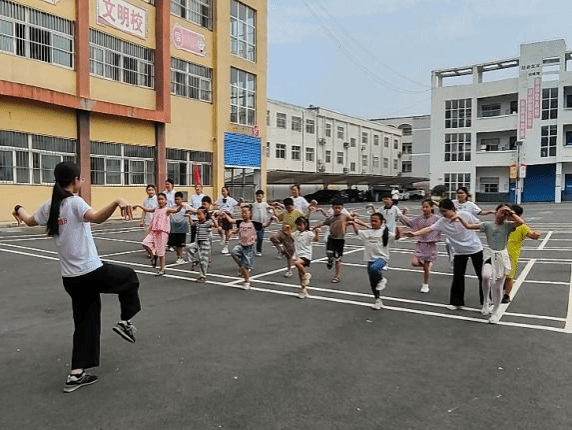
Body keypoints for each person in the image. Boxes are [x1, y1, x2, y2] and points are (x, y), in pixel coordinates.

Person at [11, 161, 140, 393]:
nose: (81, 181)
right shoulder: (74, 202)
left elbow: (29, 220)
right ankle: (125, 321)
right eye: (80, 178)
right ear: (75, 181)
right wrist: (117, 201)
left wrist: (18, 207)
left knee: (85, 323)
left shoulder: (49, 206)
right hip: (91, 272)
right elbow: (97, 217)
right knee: (129, 278)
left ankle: (76, 374)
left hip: (71, 279)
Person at [404, 199, 484, 311]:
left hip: (475, 248)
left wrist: (462, 221)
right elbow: (429, 229)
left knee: (482, 276)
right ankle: (456, 302)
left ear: (453, 209)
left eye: (445, 211)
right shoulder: (442, 221)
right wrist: (414, 234)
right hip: (459, 251)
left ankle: (486, 302)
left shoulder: (465, 214)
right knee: (458, 277)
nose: (443, 214)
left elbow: (478, 225)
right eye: (441, 211)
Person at [453, 204, 524, 324]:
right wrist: (459, 217)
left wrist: (511, 213)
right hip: (490, 254)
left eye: (505, 213)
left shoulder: (508, 225)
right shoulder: (487, 225)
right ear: (495, 212)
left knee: (498, 286)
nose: (503, 214)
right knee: (485, 276)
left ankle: (495, 312)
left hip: (501, 256)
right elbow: (468, 226)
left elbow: (521, 222)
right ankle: (486, 301)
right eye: (501, 211)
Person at [352, 213, 400, 310]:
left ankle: (382, 279)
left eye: (375, 221)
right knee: (373, 282)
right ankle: (378, 300)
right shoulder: (367, 232)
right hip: (370, 259)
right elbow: (358, 232)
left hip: (382, 258)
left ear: (381, 222)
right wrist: (353, 223)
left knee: (374, 268)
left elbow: (396, 237)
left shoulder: (385, 232)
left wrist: (398, 231)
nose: (373, 223)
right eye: (372, 221)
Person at [398, 199, 441, 293]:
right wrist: (400, 215)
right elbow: (410, 223)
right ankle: (427, 267)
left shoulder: (437, 218)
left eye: (427, 207)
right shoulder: (419, 218)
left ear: (431, 207)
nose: (424, 209)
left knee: (426, 266)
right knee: (414, 263)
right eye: (423, 207)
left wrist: (436, 203)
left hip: (430, 244)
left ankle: (425, 284)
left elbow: (446, 216)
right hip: (420, 243)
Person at [136, 193, 185, 276]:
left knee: (161, 252)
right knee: (145, 243)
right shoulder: (156, 209)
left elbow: (176, 211)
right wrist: (138, 206)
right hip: (154, 230)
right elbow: (147, 209)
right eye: (159, 199)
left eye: (162, 199)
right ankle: (153, 255)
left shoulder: (167, 209)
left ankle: (162, 269)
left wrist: (181, 205)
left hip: (162, 232)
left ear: (165, 200)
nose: (160, 201)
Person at [503, 205, 540, 303]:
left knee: (509, 276)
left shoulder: (522, 227)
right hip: (500, 253)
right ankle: (500, 288)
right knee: (499, 275)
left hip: (512, 255)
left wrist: (535, 235)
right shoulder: (505, 224)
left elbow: (531, 235)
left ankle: (506, 295)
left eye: (511, 214)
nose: (508, 216)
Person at [311, 200, 355, 283]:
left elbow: (354, 220)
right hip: (331, 239)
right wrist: (313, 227)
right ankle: (330, 260)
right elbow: (323, 223)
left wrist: (363, 224)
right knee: (329, 253)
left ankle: (337, 276)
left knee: (338, 258)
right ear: (332, 208)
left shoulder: (345, 216)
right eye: (335, 208)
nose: (337, 209)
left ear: (342, 208)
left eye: (339, 208)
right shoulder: (331, 218)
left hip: (340, 240)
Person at [270, 197, 306, 278]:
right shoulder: (285, 212)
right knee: (273, 237)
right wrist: (273, 209)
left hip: (291, 235)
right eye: (287, 207)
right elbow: (277, 216)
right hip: (283, 232)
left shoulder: (297, 212)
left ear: (293, 205)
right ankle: (281, 250)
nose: (288, 209)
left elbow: (305, 218)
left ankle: (289, 270)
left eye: (289, 207)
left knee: (289, 255)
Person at [225, 205, 257, 290]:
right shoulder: (240, 223)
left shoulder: (253, 224)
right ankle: (242, 265)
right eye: (242, 213)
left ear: (250, 213)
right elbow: (234, 225)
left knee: (244, 267)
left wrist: (271, 219)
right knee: (233, 252)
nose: (243, 214)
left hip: (249, 248)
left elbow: (265, 225)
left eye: (246, 212)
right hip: (241, 246)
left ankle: (247, 281)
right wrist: (232, 232)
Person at [291, 216, 320, 298]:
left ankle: (306, 274)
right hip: (298, 254)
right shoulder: (296, 233)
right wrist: (287, 229)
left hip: (306, 255)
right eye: (297, 225)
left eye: (300, 225)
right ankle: (303, 290)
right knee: (300, 274)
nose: (298, 227)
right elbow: (289, 235)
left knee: (297, 263)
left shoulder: (308, 233)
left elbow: (316, 239)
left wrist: (317, 233)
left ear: (305, 225)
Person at [186, 208, 217, 282]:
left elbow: (216, 225)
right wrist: (189, 217)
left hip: (205, 242)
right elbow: (192, 224)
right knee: (189, 247)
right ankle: (194, 261)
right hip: (197, 242)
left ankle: (202, 276)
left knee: (203, 260)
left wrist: (213, 218)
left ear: (205, 215)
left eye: (200, 214)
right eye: (197, 214)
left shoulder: (207, 223)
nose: (198, 216)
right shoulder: (197, 223)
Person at [168, 191, 193, 264]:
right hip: (173, 228)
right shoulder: (172, 207)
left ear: (182, 199)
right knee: (174, 245)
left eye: (178, 199)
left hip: (182, 228)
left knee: (180, 245)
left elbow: (194, 210)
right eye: (175, 199)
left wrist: (189, 214)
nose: (177, 201)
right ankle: (179, 255)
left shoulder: (185, 206)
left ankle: (180, 257)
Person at [214, 186, 239, 254]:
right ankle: (222, 237)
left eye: (224, 191)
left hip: (228, 216)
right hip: (221, 216)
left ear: (227, 191)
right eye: (222, 191)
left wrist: (241, 202)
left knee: (227, 232)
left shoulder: (231, 200)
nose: (223, 192)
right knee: (219, 228)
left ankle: (226, 246)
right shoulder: (220, 200)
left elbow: (237, 204)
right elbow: (215, 205)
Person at [251, 189, 273, 256]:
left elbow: (270, 210)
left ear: (263, 196)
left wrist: (272, 212)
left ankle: (259, 250)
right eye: (257, 196)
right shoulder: (254, 204)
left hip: (262, 223)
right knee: (253, 237)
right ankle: (250, 249)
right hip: (254, 222)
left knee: (260, 237)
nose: (258, 197)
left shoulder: (265, 204)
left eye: (259, 196)